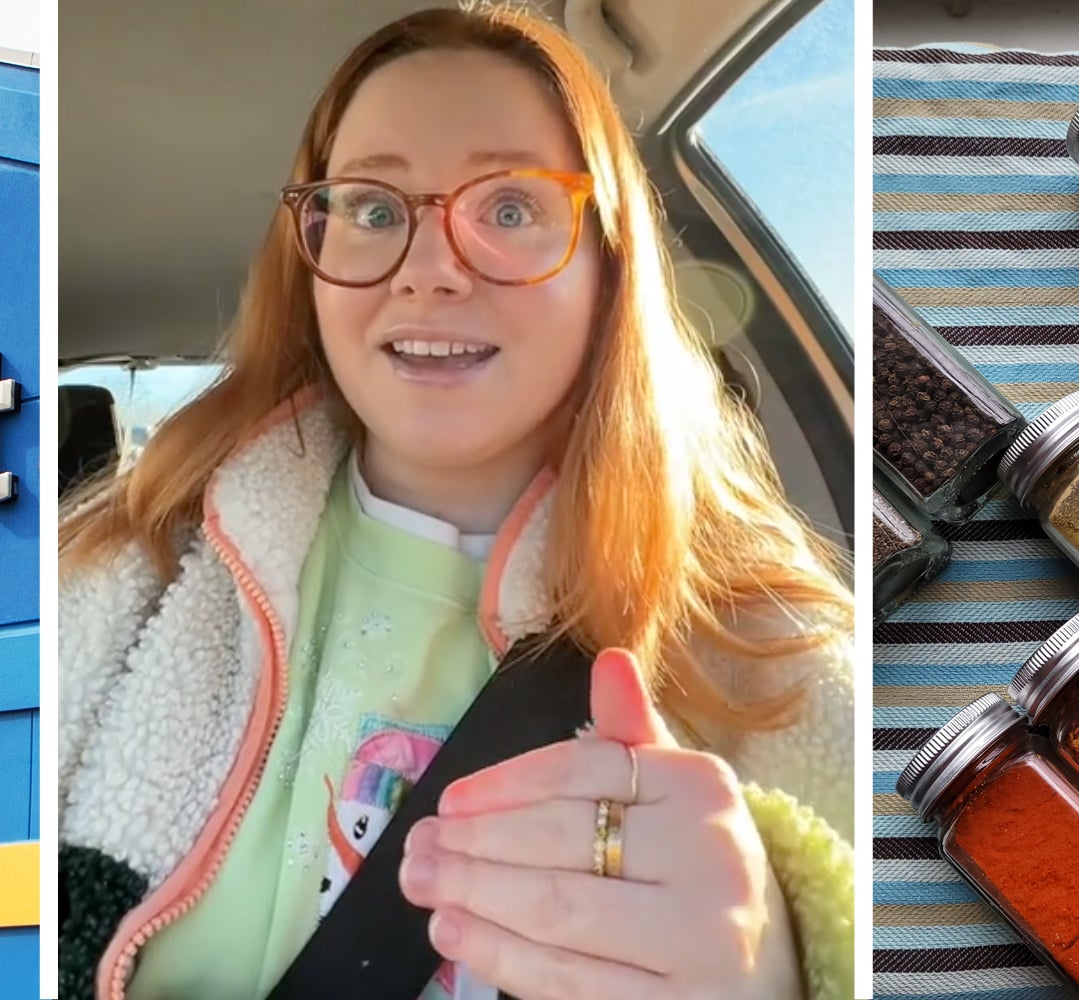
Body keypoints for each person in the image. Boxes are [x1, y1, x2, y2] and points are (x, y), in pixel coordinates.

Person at [57, 6, 855, 999]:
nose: (428, 270)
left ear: (607, 265)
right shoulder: (108, 585)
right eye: (373, 208)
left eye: (510, 208)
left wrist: (784, 965)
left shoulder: (772, 655)